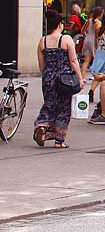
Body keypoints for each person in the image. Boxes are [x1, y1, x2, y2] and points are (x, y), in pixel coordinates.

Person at [34, 10, 84, 148]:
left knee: (49, 104)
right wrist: (80, 77)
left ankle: (42, 126)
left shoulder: (42, 41)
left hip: (48, 77)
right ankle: (59, 140)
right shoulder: (66, 39)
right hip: (64, 78)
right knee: (63, 108)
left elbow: (41, 63)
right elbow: (73, 60)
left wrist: (47, 75)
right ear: (60, 24)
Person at [79, 6, 104, 80]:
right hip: (94, 41)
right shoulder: (98, 22)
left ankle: (82, 78)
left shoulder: (89, 21)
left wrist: (86, 36)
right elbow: (97, 34)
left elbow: (82, 31)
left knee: (86, 61)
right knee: (97, 59)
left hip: (87, 40)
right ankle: (96, 76)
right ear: (100, 14)